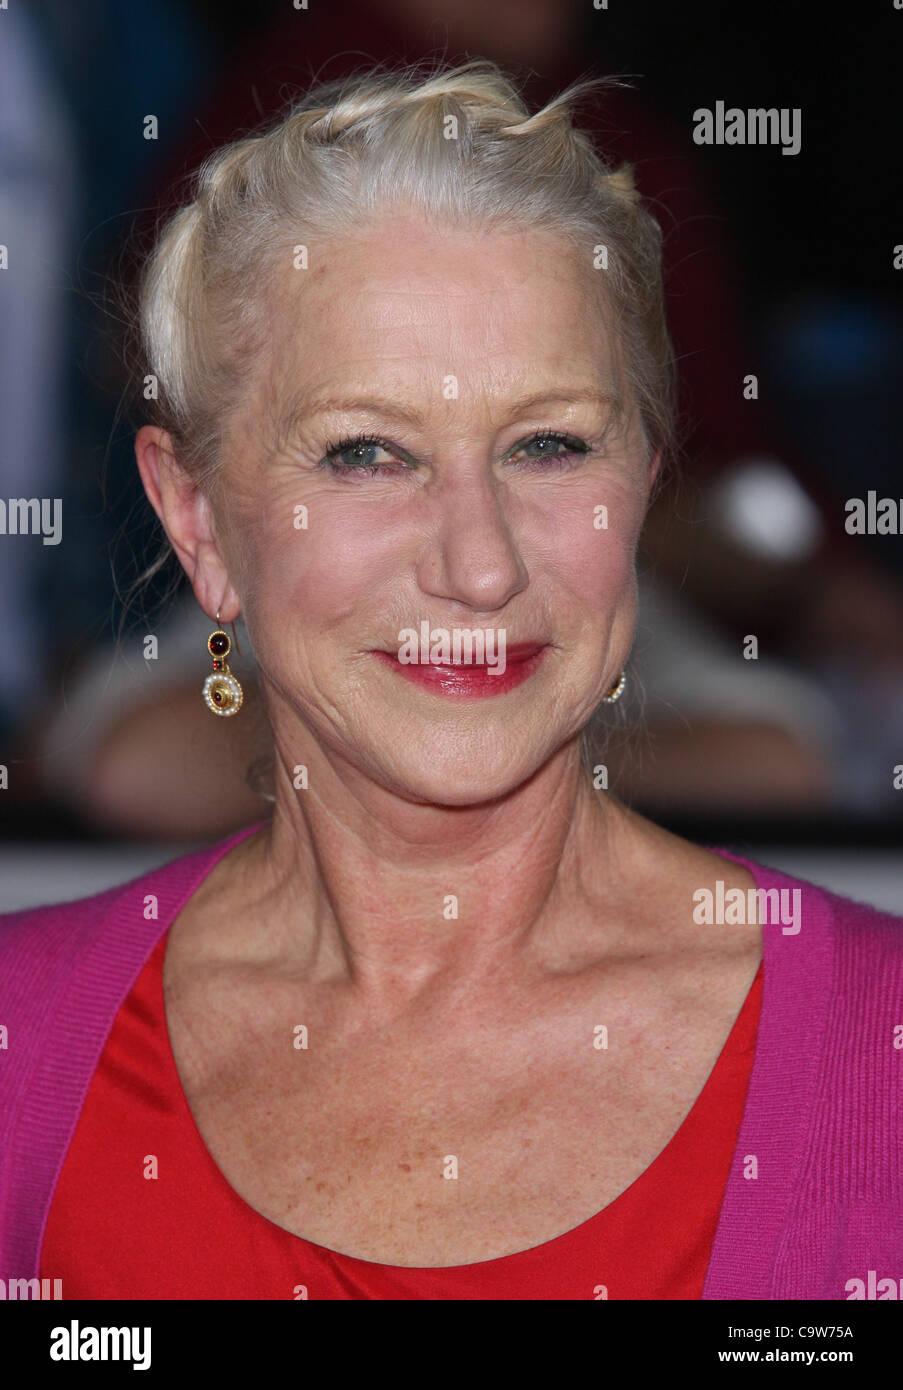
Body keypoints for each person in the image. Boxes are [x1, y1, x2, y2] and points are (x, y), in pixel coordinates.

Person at [1, 61, 900, 1300]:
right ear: (199, 521)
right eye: (367, 453)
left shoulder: (881, 1059)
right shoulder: (21, 1055)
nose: (478, 565)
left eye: (549, 444)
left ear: (646, 476)